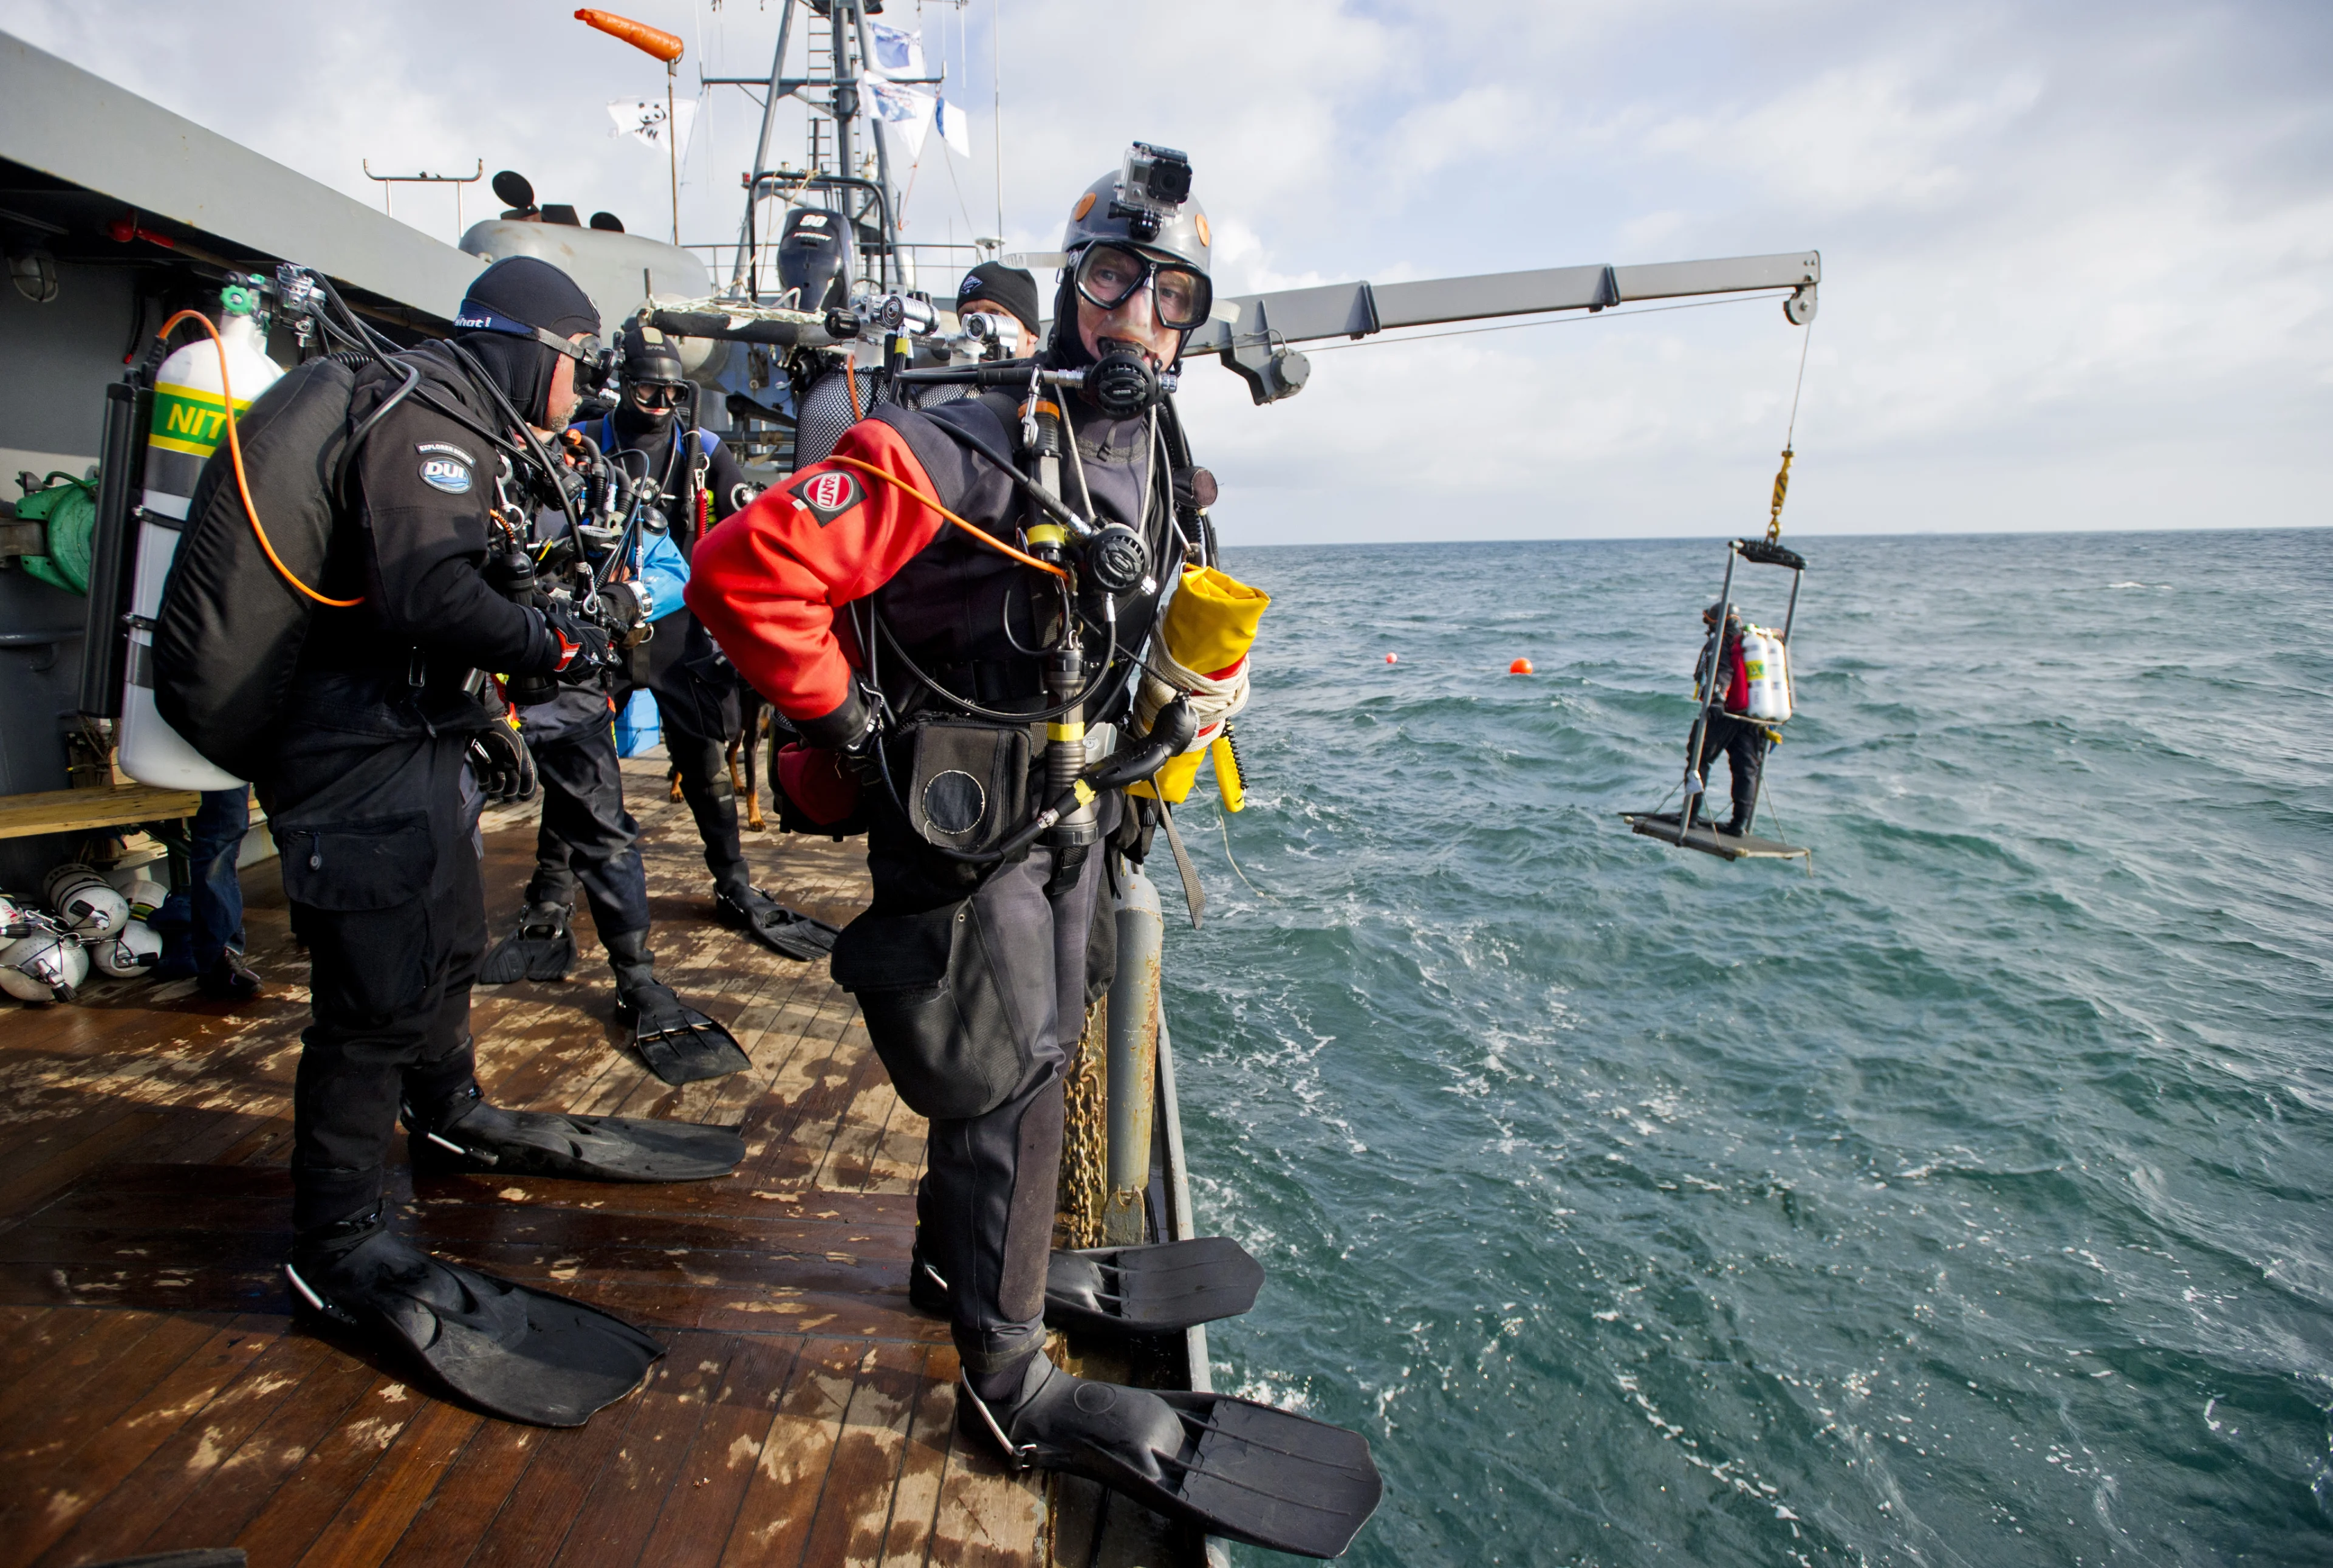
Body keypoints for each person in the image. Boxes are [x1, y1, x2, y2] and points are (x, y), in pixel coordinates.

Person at [685, 159, 1380, 1558]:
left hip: (1063, 815)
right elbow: (749, 568)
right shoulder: (961, 439)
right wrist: (849, 725)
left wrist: (1193, 700)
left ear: (1193, 321)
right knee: (1003, 1084)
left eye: (1170, 294)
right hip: (961, 818)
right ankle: (1005, 1379)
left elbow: (1177, 609)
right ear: (1072, 286)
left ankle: (962, 1260)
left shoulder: (1161, 462)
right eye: (1115, 279)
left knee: (1044, 1055)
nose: (1138, 316)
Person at [250, 256, 742, 1428]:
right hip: (350, 759)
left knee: (442, 942)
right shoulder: (430, 415)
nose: (583, 389)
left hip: (406, 737)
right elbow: (427, 592)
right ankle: (337, 1241)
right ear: (534, 346)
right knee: (373, 998)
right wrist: (557, 648)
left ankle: (448, 1108)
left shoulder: (458, 411)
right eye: (577, 364)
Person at [481, 321, 832, 998]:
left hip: (675, 629)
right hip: (594, 622)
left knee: (704, 765)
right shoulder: (584, 442)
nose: (662, 403)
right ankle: (550, 899)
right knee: (579, 765)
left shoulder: (701, 452)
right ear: (621, 385)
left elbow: (749, 528)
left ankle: (733, 882)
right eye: (648, 388)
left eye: (673, 391)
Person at [148, 786, 259, 999]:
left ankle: (314, 925)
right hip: (216, 758)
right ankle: (219, 957)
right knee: (222, 828)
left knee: (302, 812)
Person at [1694, 601, 1770, 836]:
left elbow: (1723, 671)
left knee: (1699, 759)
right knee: (1746, 769)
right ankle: (1739, 824)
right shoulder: (1754, 644)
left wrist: (1717, 698)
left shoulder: (1720, 644)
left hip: (1725, 713)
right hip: (1753, 714)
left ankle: (1691, 815)